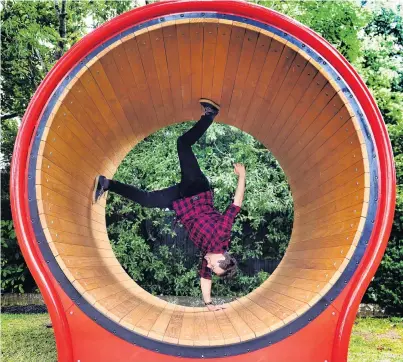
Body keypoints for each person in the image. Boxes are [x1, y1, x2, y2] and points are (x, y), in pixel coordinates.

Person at [93, 99, 246, 311]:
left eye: (211, 267)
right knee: (182, 143)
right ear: (223, 257)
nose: (209, 265)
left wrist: (209, 303)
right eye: (213, 265)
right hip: (197, 190)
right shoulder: (222, 234)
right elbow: (236, 205)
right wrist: (242, 176)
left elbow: (205, 277)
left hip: (181, 202)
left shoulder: (208, 255)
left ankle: (107, 184)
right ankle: (210, 115)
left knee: (147, 200)